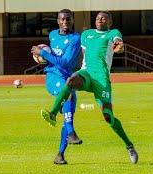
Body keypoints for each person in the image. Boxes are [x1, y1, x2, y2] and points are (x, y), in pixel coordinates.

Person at [40, 11, 138, 164]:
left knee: (108, 117)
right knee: (71, 81)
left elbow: (118, 44)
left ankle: (129, 145)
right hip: (86, 73)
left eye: (104, 18)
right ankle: (52, 113)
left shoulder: (113, 32)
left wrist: (119, 48)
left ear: (109, 22)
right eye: (98, 18)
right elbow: (85, 54)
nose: (100, 20)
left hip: (101, 78)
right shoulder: (86, 34)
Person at [31, 9, 82, 165]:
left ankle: (60, 155)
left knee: (68, 116)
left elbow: (65, 62)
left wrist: (43, 54)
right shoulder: (52, 35)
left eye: (68, 19)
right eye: (63, 19)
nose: (65, 22)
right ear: (58, 21)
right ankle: (72, 133)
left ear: (72, 20)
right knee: (69, 96)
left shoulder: (75, 38)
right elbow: (51, 58)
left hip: (68, 78)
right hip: (53, 77)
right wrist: (41, 54)